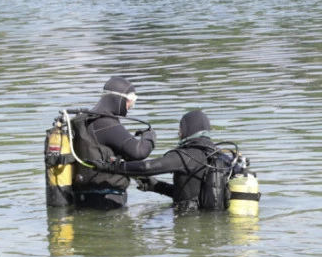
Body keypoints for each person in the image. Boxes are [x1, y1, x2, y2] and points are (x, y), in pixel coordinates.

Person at [92, 109, 239, 211]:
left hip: (187, 226)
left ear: (187, 130)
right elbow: (196, 195)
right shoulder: (223, 157)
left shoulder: (185, 155)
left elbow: (147, 167)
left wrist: (112, 167)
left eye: (180, 130)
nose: (179, 134)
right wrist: (157, 186)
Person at [71, 76, 157, 210]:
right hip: (107, 202)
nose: (129, 106)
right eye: (130, 101)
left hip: (84, 199)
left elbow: (110, 156)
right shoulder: (105, 123)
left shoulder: (89, 119)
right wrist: (149, 136)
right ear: (119, 99)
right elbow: (139, 151)